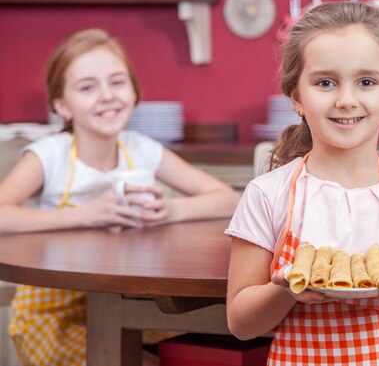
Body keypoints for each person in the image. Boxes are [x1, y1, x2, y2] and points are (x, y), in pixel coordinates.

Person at [225, 1, 379, 365]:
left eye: (366, 82)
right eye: (325, 82)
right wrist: (286, 290)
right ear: (297, 97)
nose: (346, 100)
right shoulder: (268, 194)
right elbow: (241, 323)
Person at [0, 28, 240, 366]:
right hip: (52, 314)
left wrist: (170, 210)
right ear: (62, 105)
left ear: (134, 91)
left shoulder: (140, 149)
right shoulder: (49, 156)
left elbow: (226, 199)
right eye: (87, 87)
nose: (107, 96)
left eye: (117, 82)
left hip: (132, 301)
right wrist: (87, 215)